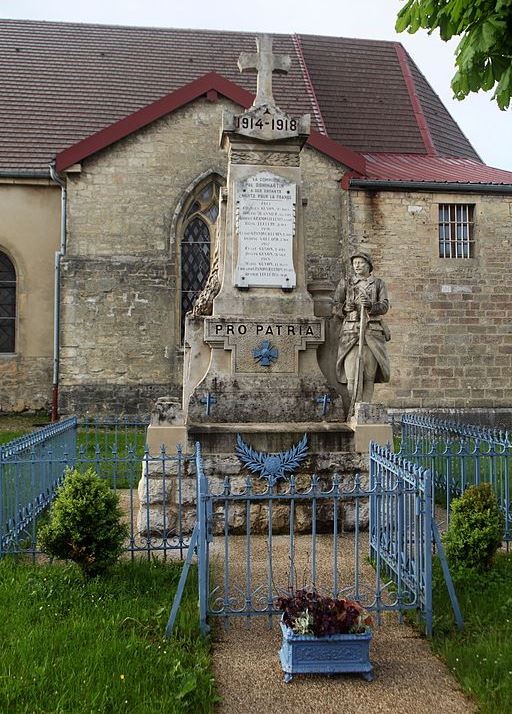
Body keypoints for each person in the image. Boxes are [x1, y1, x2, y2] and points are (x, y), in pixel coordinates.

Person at [332, 251, 390, 406]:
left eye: (360, 262)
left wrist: (371, 305)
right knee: (352, 376)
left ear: (368, 265)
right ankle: (355, 407)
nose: (356, 266)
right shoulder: (346, 283)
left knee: (369, 376)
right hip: (351, 333)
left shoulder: (378, 283)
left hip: (372, 333)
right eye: (354, 263)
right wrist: (345, 308)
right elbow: (335, 306)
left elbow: (384, 306)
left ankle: (366, 407)